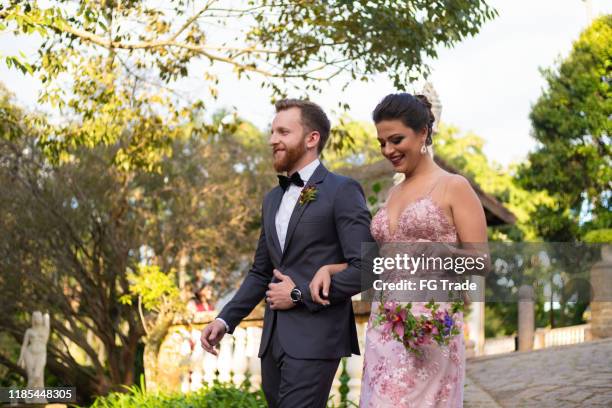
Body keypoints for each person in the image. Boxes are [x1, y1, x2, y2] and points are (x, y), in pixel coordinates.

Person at [310, 93, 488, 407]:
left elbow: (481, 262)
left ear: (423, 133)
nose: (388, 150)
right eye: (382, 143)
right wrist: (329, 269)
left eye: (396, 140)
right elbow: (378, 262)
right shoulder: (392, 194)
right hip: (386, 327)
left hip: (431, 328)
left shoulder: (454, 186)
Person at [200, 99, 374, 408]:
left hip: (317, 337)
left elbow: (367, 266)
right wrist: (225, 320)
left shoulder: (342, 190)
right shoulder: (271, 200)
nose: (272, 140)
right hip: (273, 342)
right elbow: (260, 272)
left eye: (283, 131)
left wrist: (298, 295)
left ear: (311, 138)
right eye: (272, 132)